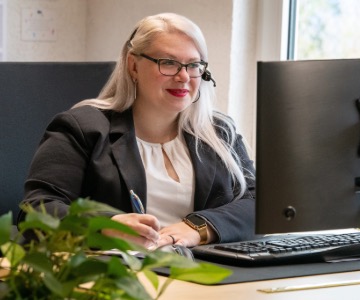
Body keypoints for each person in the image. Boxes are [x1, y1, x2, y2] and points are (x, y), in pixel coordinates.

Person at [17, 12, 255, 249]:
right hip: (117, 276)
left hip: (206, 275)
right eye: (168, 63)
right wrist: (104, 227)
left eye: (193, 65)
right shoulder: (83, 128)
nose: (183, 76)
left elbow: (259, 202)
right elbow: (37, 210)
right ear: (133, 65)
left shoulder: (219, 132)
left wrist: (201, 227)